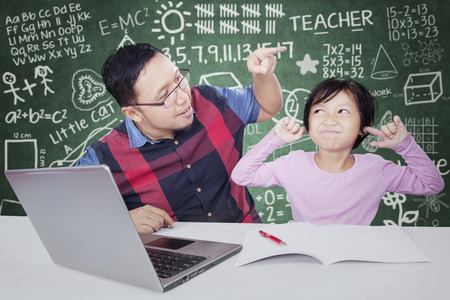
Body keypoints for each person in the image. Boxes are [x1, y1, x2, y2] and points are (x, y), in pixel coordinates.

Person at [77, 43, 287, 233]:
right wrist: (121, 220)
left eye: (178, 79)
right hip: (175, 260)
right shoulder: (104, 157)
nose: (183, 97)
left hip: (247, 235)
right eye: (165, 96)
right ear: (133, 113)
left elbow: (267, 106)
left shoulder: (211, 101)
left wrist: (263, 75)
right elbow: (60, 210)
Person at [231, 77, 444, 225]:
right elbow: (241, 175)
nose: (329, 119)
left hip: (355, 259)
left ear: (365, 125)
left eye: (342, 111)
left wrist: (404, 145)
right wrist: (274, 139)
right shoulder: (293, 163)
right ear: (308, 122)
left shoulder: (376, 169)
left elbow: (432, 185)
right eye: (319, 111)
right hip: (307, 256)